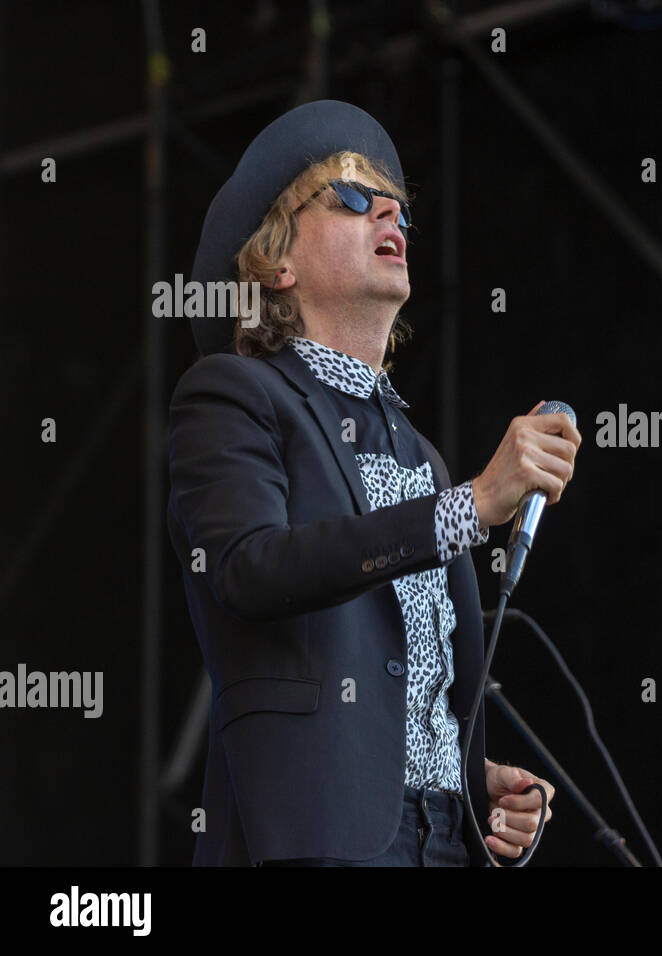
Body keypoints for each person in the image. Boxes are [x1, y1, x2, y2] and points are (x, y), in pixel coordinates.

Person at [166, 100, 579, 866]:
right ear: (277, 262)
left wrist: (468, 783)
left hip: (444, 843)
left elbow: (399, 685)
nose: (389, 209)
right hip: (317, 847)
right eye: (352, 196)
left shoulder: (419, 453)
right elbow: (248, 568)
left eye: (397, 206)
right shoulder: (232, 394)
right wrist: (470, 508)